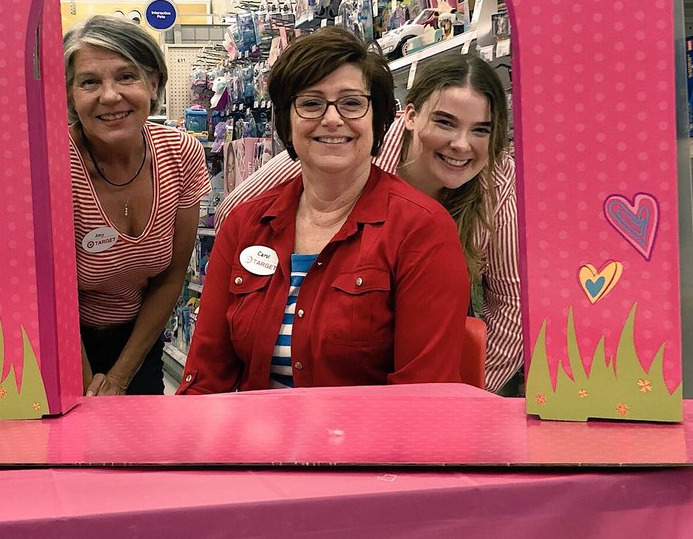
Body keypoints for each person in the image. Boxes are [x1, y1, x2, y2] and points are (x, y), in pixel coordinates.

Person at [177, 27, 469, 394]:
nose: (332, 119)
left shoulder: (421, 229)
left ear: (377, 118)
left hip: (370, 448)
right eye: (311, 103)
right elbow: (206, 376)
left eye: (351, 103)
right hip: (256, 448)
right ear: (287, 120)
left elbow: (423, 394)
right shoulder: (244, 225)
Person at [215, 51, 521, 394]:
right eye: (445, 122)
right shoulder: (348, 152)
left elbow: (512, 303)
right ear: (410, 116)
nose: (461, 144)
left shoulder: (498, 183)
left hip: (412, 392)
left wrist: (470, 395)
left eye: (481, 130)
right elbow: (237, 215)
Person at [65, 15, 211, 395]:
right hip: (59, 340)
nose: (110, 95)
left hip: (140, 342)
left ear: (153, 84)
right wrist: (84, 384)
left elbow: (170, 277)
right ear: (69, 96)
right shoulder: (52, 164)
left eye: (126, 76)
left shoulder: (181, 154)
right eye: (89, 82)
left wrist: (120, 376)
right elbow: (47, 292)